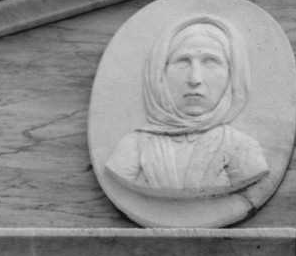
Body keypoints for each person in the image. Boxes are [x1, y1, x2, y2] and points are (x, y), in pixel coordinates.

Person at [105, 16, 269, 199]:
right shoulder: (133, 147)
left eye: (210, 62)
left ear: (233, 75)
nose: (195, 79)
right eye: (183, 61)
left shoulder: (240, 147)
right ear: (159, 73)